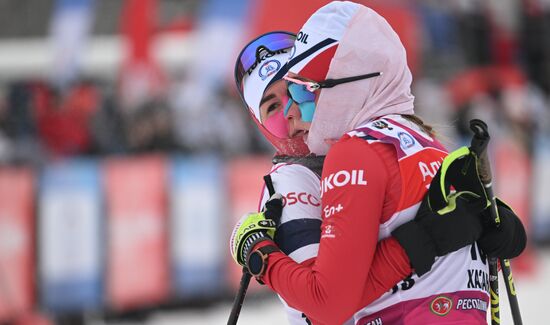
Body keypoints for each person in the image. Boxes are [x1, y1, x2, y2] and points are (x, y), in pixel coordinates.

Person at [230, 3, 526, 325]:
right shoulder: (292, 179)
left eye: (298, 90)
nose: (291, 110)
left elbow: (446, 268)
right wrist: (417, 245)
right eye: (271, 106)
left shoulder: (385, 142)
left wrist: (486, 229)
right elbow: (317, 310)